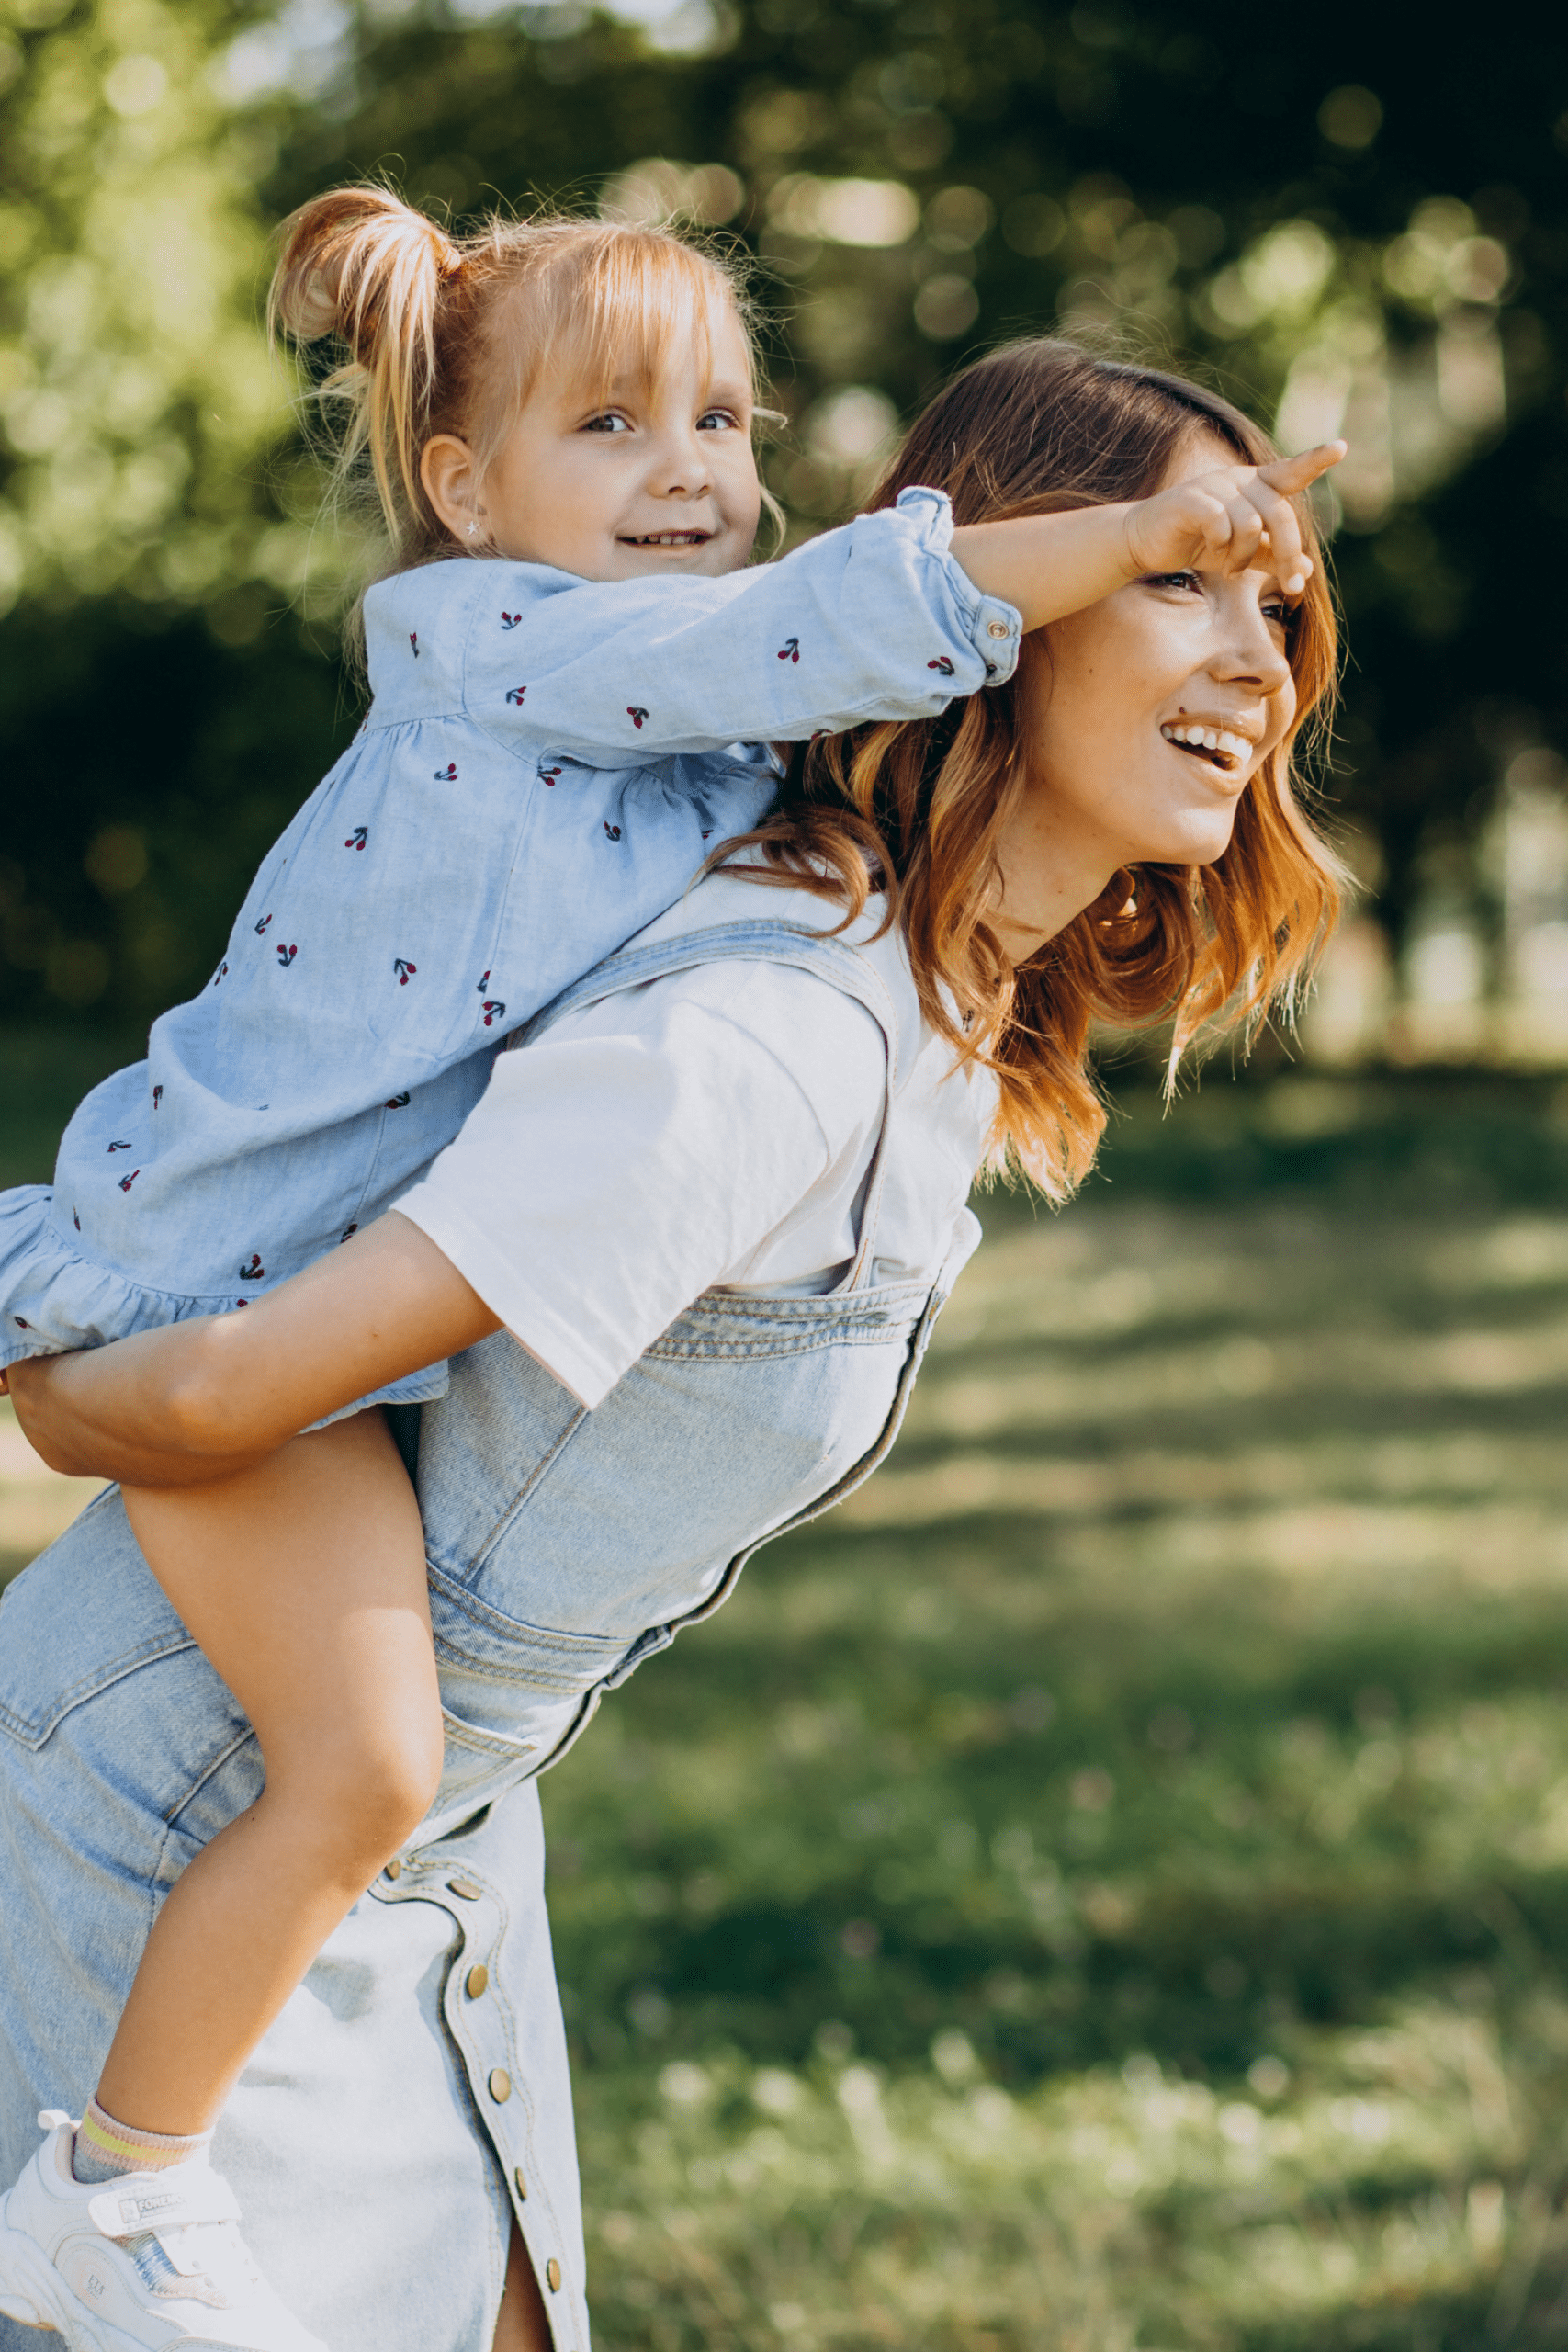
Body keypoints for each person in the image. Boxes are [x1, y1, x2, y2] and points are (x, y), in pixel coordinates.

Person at [0, 338, 1343, 2352]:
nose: (1254, 655)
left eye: (1276, 598)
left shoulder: (925, 1017)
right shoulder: (765, 1035)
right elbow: (216, 1392)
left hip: (429, 1813)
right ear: (994, 594)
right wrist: (35, 1346)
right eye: (1175, 576)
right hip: (189, 1802)